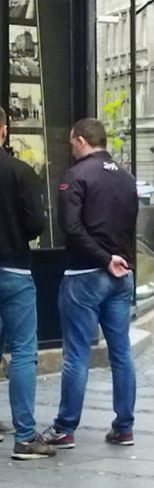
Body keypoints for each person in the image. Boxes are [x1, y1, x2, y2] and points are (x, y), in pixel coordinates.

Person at [40, 118, 139, 449]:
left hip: (85, 274)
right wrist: (116, 260)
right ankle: (124, 425)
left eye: (71, 143)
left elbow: (70, 226)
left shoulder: (76, 176)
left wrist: (101, 258)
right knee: (121, 352)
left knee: (76, 354)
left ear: (81, 141)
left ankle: (66, 427)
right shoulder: (126, 178)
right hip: (121, 275)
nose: (70, 148)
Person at [0, 106, 53, 460]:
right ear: (3, 130)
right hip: (13, 269)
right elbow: (36, 224)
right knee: (21, 351)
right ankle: (23, 436)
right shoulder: (20, 172)